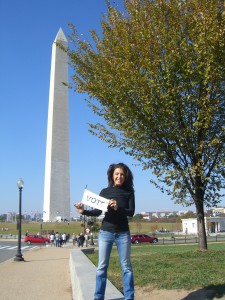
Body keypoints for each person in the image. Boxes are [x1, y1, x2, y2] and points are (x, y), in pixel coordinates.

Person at [74, 162, 135, 300]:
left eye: (122, 174)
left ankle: (129, 297)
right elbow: (97, 212)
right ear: (112, 176)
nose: (119, 176)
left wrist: (117, 207)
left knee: (126, 267)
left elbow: (131, 212)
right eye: (116, 174)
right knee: (102, 267)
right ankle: (98, 297)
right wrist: (83, 211)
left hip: (123, 233)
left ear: (125, 177)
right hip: (105, 232)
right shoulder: (105, 192)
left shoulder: (129, 192)